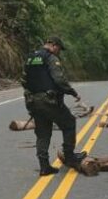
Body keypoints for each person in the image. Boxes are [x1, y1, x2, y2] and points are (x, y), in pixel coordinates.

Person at [21, 37, 87, 176]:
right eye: (59, 49)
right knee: (69, 123)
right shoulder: (50, 58)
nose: (59, 53)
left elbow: (24, 80)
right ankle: (70, 157)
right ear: (54, 45)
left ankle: (44, 166)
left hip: (33, 101)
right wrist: (73, 92)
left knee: (43, 132)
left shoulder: (31, 57)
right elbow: (59, 79)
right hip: (48, 101)